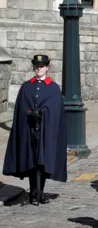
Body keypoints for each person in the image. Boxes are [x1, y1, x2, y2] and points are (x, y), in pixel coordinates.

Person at [3, 54, 67, 205]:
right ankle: (32, 192)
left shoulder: (53, 88)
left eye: (42, 66)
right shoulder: (26, 86)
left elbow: (56, 111)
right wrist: (29, 113)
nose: (39, 69)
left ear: (47, 68)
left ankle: (40, 192)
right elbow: (20, 108)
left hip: (45, 131)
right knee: (30, 161)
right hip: (29, 130)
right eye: (37, 66)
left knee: (42, 162)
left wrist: (43, 113)